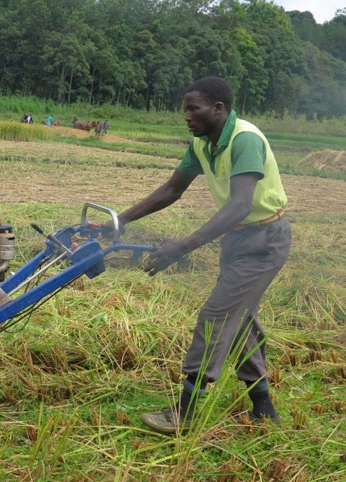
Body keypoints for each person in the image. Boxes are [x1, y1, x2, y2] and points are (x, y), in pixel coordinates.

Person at [107, 76, 290, 434]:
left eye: (194, 109)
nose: (187, 116)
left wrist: (182, 246)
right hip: (238, 241)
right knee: (238, 319)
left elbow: (239, 206)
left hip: (264, 240)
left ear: (218, 109)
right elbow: (173, 188)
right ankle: (263, 406)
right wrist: (122, 220)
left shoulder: (245, 140)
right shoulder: (203, 143)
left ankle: (186, 412)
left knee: (216, 316)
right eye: (185, 110)